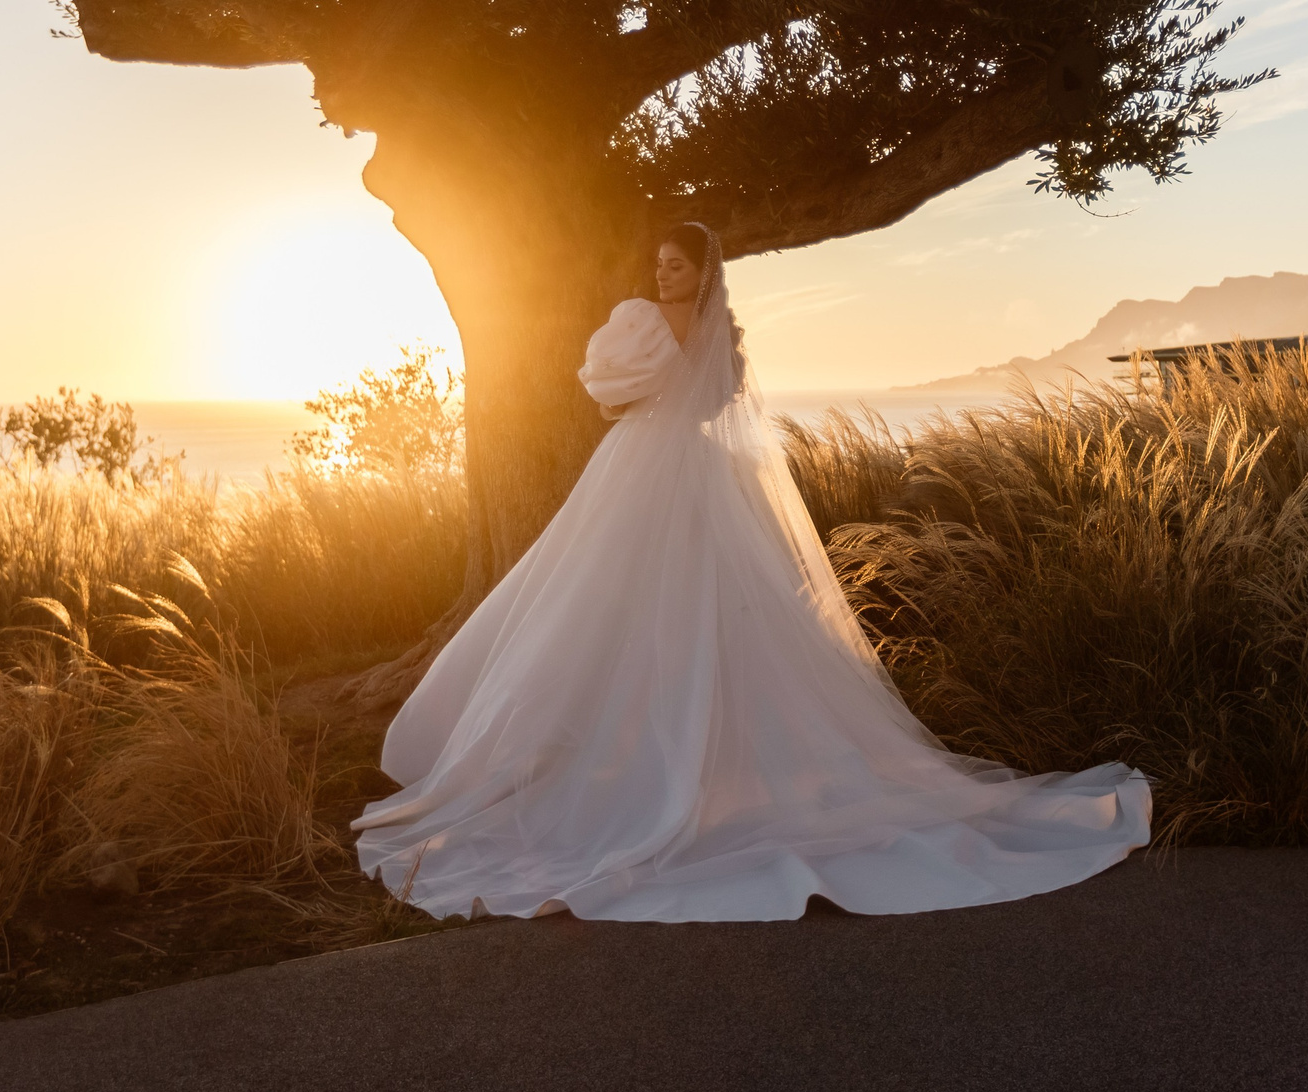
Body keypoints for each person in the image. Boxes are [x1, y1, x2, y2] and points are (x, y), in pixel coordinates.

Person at [354, 222, 1149, 922]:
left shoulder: (647, 325)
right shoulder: (722, 334)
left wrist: (649, 368)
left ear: (702, 269)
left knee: (625, 605)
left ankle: (659, 769)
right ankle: (679, 762)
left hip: (642, 468)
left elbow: (603, 392)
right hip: (692, 471)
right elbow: (713, 403)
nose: (664, 275)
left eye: (675, 265)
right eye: (659, 264)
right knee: (670, 606)